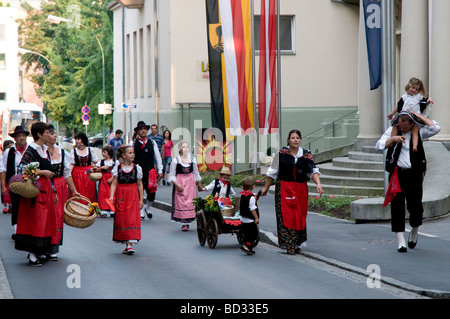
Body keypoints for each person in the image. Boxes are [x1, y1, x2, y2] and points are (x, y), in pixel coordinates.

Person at [375, 111, 440, 253]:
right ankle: (400, 241)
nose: (402, 129)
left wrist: (419, 115)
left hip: (414, 174)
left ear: (412, 124)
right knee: (397, 206)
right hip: (397, 174)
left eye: (405, 127)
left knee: (415, 206)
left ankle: (414, 230)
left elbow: (436, 128)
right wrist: (393, 140)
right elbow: (379, 145)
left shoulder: (419, 132)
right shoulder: (393, 131)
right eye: (400, 126)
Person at [260, 129, 323, 255]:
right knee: (286, 215)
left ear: (300, 140)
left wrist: (318, 184)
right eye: (293, 138)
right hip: (284, 187)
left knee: (299, 214)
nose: (295, 140)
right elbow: (272, 173)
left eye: (297, 138)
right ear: (288, 140)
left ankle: (297, 242)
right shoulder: (281, 154)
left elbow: (312, 171)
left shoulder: (306, 154)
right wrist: (265, 188)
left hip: (300, 189)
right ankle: (289, 244)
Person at [14, 122, 56, 266]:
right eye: (46, 132)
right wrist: (42, 172)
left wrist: (53, 189)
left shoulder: (44, 149)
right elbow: (22, 170)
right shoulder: (31, 150)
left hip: (46, 190)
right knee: (35, 222)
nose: (49, 134)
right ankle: (32, 255)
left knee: (44, 221)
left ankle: (39, 251)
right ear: (39, 134)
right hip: (35, 191)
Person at [46, 124, 81, 261]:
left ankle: (54, 247)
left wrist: (74, 191)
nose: (55, 135)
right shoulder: (39, 151)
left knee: (57, 215)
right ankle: (42, 246)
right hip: (45, 186)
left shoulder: (62, 152)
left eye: (54, 133)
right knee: (45, 215)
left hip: (59, 185)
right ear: (44, 136)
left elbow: (67, 174)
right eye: (51, 133)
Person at [109, 145, 144, 255]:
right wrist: (111, 196)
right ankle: (126, 242)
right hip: (122, 194)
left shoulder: (137, 168)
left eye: (133, 153)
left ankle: (130, 244)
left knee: (132, 218)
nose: (133, 154)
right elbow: (114, 184)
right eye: (130, 153)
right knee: (122, 218)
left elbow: (140, 185)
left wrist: (141, 199)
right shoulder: (117, 168)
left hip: (133, 195)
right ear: (123, 155)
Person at [387, 77, 434, 152]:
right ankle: (392, 139)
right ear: (409, 86)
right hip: (404, 114)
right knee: (395, 125)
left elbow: (424, 104)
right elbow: (398, 106)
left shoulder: (419, 97)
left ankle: (415, 146)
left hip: (414, 116)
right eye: (413, 88)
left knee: (415, 131)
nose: (414, 90)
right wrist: (392, 114)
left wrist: (429, 101)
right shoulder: (404, 97)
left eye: (416, 89)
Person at [0, 126, 30, 238]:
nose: (22, 138)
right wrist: (3, 186)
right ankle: (18, 231)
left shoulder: (31, 149)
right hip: (14, 184)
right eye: (19, 136)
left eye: (23, 136)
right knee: (16, 207)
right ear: (15, 138)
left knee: (29, 207)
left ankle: (28, 230)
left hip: (29, 184)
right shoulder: (9, 151)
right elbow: (3, 169)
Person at [132, 121, 163, 220]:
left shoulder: (152, 142)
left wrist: (160, 169)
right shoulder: (133, 143)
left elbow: (158, 157)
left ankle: (148, 208)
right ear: (137, 131)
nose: (143, 131)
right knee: (138, 191)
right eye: (141, 129)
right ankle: (141, 210)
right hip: (137, 171)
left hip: (150, 171)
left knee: (152, 192)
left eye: (145, 129)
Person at [168, 141, 202, 231]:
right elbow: (172, 175)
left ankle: (187, 222)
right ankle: (184, 223)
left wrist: (199, 185)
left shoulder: (192, 160)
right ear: (180, 149)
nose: (186, 149)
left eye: (187, 147)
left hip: (190, 183)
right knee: (181, 202)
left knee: (190, 201)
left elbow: (196, 173)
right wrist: (177, 184)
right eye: (183, 147)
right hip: (180, 182)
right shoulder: (175, 161)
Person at [69, 132, 99, 203]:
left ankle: (89, 210)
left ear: (83, 140)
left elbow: (96, 161)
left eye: (78, 139)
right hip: (77, 174)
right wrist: (68, 175)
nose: (76, 141)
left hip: (88, 174)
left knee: (89, 192)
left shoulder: (90, 150)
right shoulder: (73, 151)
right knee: (78, 191)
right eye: (76, 139)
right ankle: (77, 211)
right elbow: (71, 164)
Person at [94, 145, 117, 217]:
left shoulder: (114, 162)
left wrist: (112, 178)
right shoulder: (101, 162)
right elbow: (95, 169)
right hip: (103, 180)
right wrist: (101, 168)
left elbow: (117, 172)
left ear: (109, 153)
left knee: (112, 193)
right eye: (102, 152)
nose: (103, 154)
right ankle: (104, 209)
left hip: (111, 179)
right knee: (103, 193)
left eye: (104, 152)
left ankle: (111, 208)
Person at [239, 177, 259, 255]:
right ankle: (246, 246)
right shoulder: (251, 197)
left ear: (242, 187)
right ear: (253, 187)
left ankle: (248, 248)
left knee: (246, 233)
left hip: (243, 218)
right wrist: (256, 218)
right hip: (250, 219)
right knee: (253, 234)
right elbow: (252, 209)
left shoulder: (243, 195)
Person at [1, 140, 14, 214]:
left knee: (8, 190)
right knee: (7, 190)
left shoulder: (7, 152)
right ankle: (7, 206)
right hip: (7, 173)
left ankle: (8, 206)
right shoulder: (7, 153)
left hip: (8, 174)